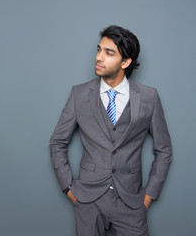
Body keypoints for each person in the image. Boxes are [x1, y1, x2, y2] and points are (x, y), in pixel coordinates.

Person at [50, 25, 172, 236]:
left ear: (125, 62)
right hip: (88, 200)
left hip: (131, 202)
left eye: (109, 53)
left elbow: (164, 150)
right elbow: (57, 143)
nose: (99, 57)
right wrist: (69, 188)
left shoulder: (149, 97)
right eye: (99, 50)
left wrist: (148, 196)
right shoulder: (79, 94)